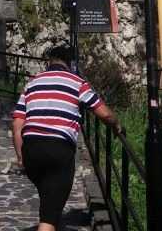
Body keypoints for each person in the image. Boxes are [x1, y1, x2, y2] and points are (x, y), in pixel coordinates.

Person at [12, 44, 121, 231]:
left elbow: (16, 124)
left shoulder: (32, 83)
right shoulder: (76, 82)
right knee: (49, 215)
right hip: (58, 150)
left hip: (31, 150)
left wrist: (21, 156)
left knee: (50, 202)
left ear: (49, 62)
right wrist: (117, 125)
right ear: (70, 64)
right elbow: (104, 114)